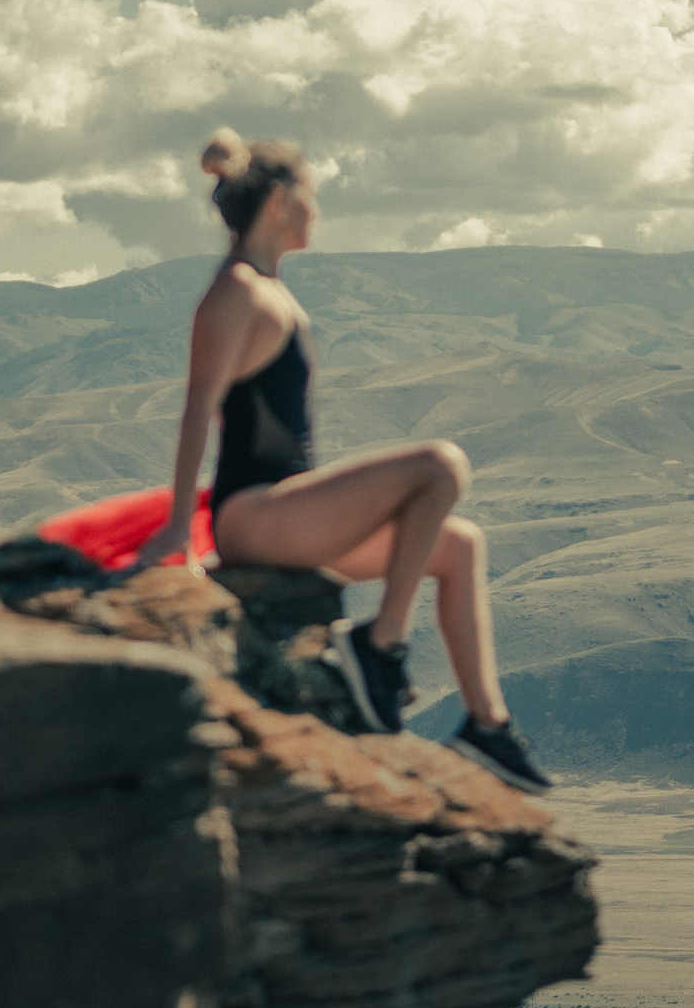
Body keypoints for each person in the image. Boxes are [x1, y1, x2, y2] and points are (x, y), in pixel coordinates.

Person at [142, 127, 553, 793]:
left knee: (460, 546)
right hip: (254, 516)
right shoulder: (237, 290)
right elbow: (198, 407)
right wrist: (176, 530)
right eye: (311, 195)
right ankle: (380, 647)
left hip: (289, 513)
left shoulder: (270, 290)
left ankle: (488, 726)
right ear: (280, 201)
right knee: (441, 465)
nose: (318, 211)